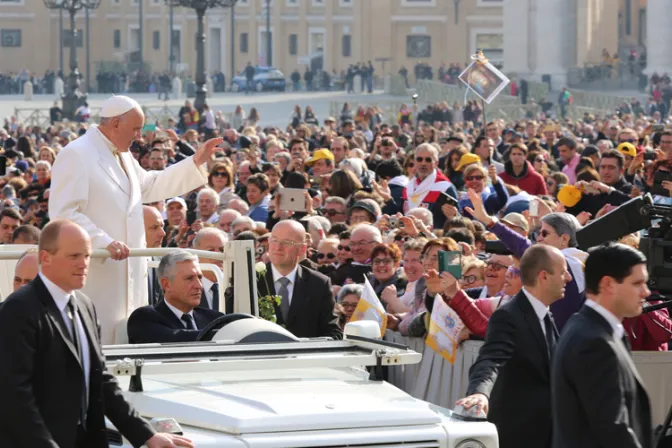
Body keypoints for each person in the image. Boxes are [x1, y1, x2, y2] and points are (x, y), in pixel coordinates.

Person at [0, 219, 192, 448]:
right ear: (46, 258)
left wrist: (146, 435)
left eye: (87, 256)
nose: (83, 264)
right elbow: (14, 394)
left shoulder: (84, 306)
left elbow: (100, 380)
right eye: (74, 256)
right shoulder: (18, 309)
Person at [49, 95, 223, 343]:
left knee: (131, 349)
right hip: (100, 274)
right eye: (136, 129)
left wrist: (194, 161)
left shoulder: (123, 154)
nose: (140, 137)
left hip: (129, 275)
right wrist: (104, 242)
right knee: (96, 346)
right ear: (116, 124)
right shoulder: (76, 154)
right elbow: (63, 213)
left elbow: (150, 185)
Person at [456, 245, 571, 448]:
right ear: (544, 276)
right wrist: (480, 392)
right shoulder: (509, 315)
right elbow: (491, 359)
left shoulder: (545, 315)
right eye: (562, 272)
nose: (568, 278)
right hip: (518, 436)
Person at [551, 243, 652, 448]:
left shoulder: (590, 328)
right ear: (608, 284)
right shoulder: (594, 342)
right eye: (637, 283)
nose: (646, 292)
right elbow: (612, 430)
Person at [257, 220, 341, 339]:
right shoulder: (252, 280)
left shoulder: (319, 284)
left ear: (302, 249)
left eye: (287, 242)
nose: (278, 247)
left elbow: (333, 333)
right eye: (274, 240)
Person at [127, 250, 223, 344]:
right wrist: (223, 334)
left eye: (199, 277)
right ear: (166, 284)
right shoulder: (144, 318)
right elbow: (173, 339)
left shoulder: (215, 319)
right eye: (189, 278)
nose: (199, 286)